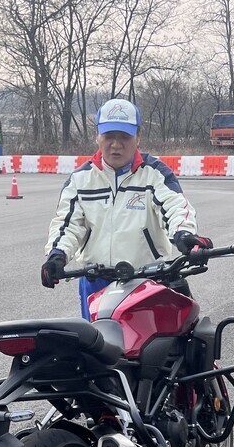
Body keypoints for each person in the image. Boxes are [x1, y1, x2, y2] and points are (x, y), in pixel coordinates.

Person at [42, 98, 210, 315]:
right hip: (95, 280)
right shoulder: (80, 180)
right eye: (109, 136)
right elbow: (68, 225)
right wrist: (57, 255)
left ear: (138, 137)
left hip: (147, 279)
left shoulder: (155, 174)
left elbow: (174, 207)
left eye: (124, 137)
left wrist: (184, 235)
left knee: (150, 345)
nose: (115, 144)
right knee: (95, 346)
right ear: (97, 137)